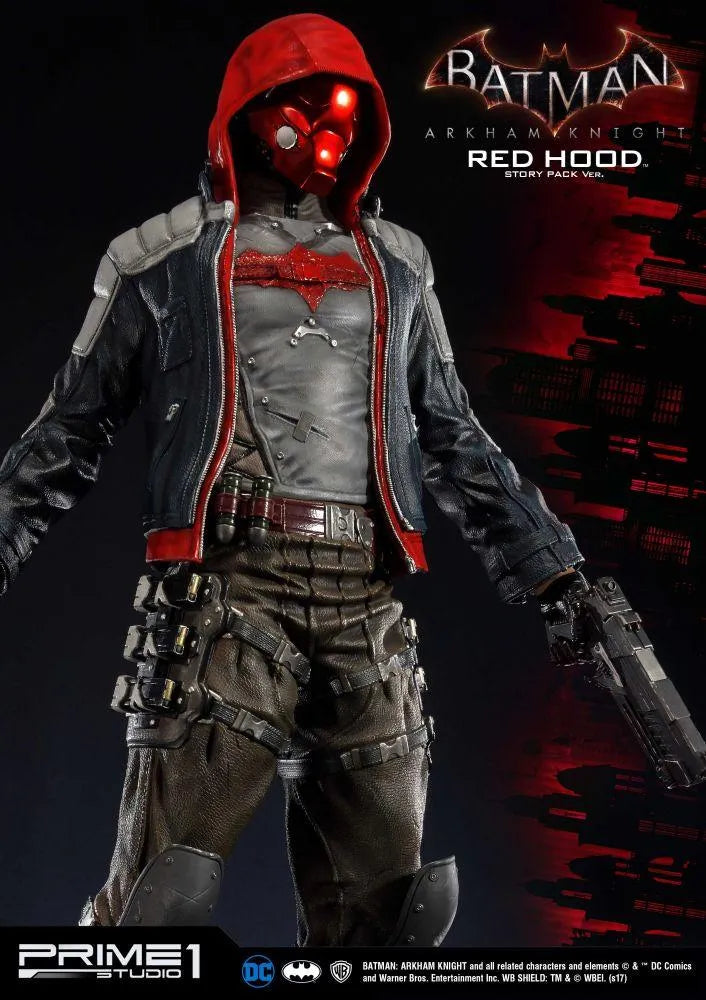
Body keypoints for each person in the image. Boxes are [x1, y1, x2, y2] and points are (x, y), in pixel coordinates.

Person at [0, 14, 583, 945]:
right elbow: (65, 432)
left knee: (385, 929)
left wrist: (556, 571)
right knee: (153, 918)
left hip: (366, 604)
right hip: (227, 596)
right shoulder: (163, 258)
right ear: (251, 109)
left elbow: (454, 435)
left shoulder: (396, 264)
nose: (328, 130)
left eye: (347, 111)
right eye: (308, 106)